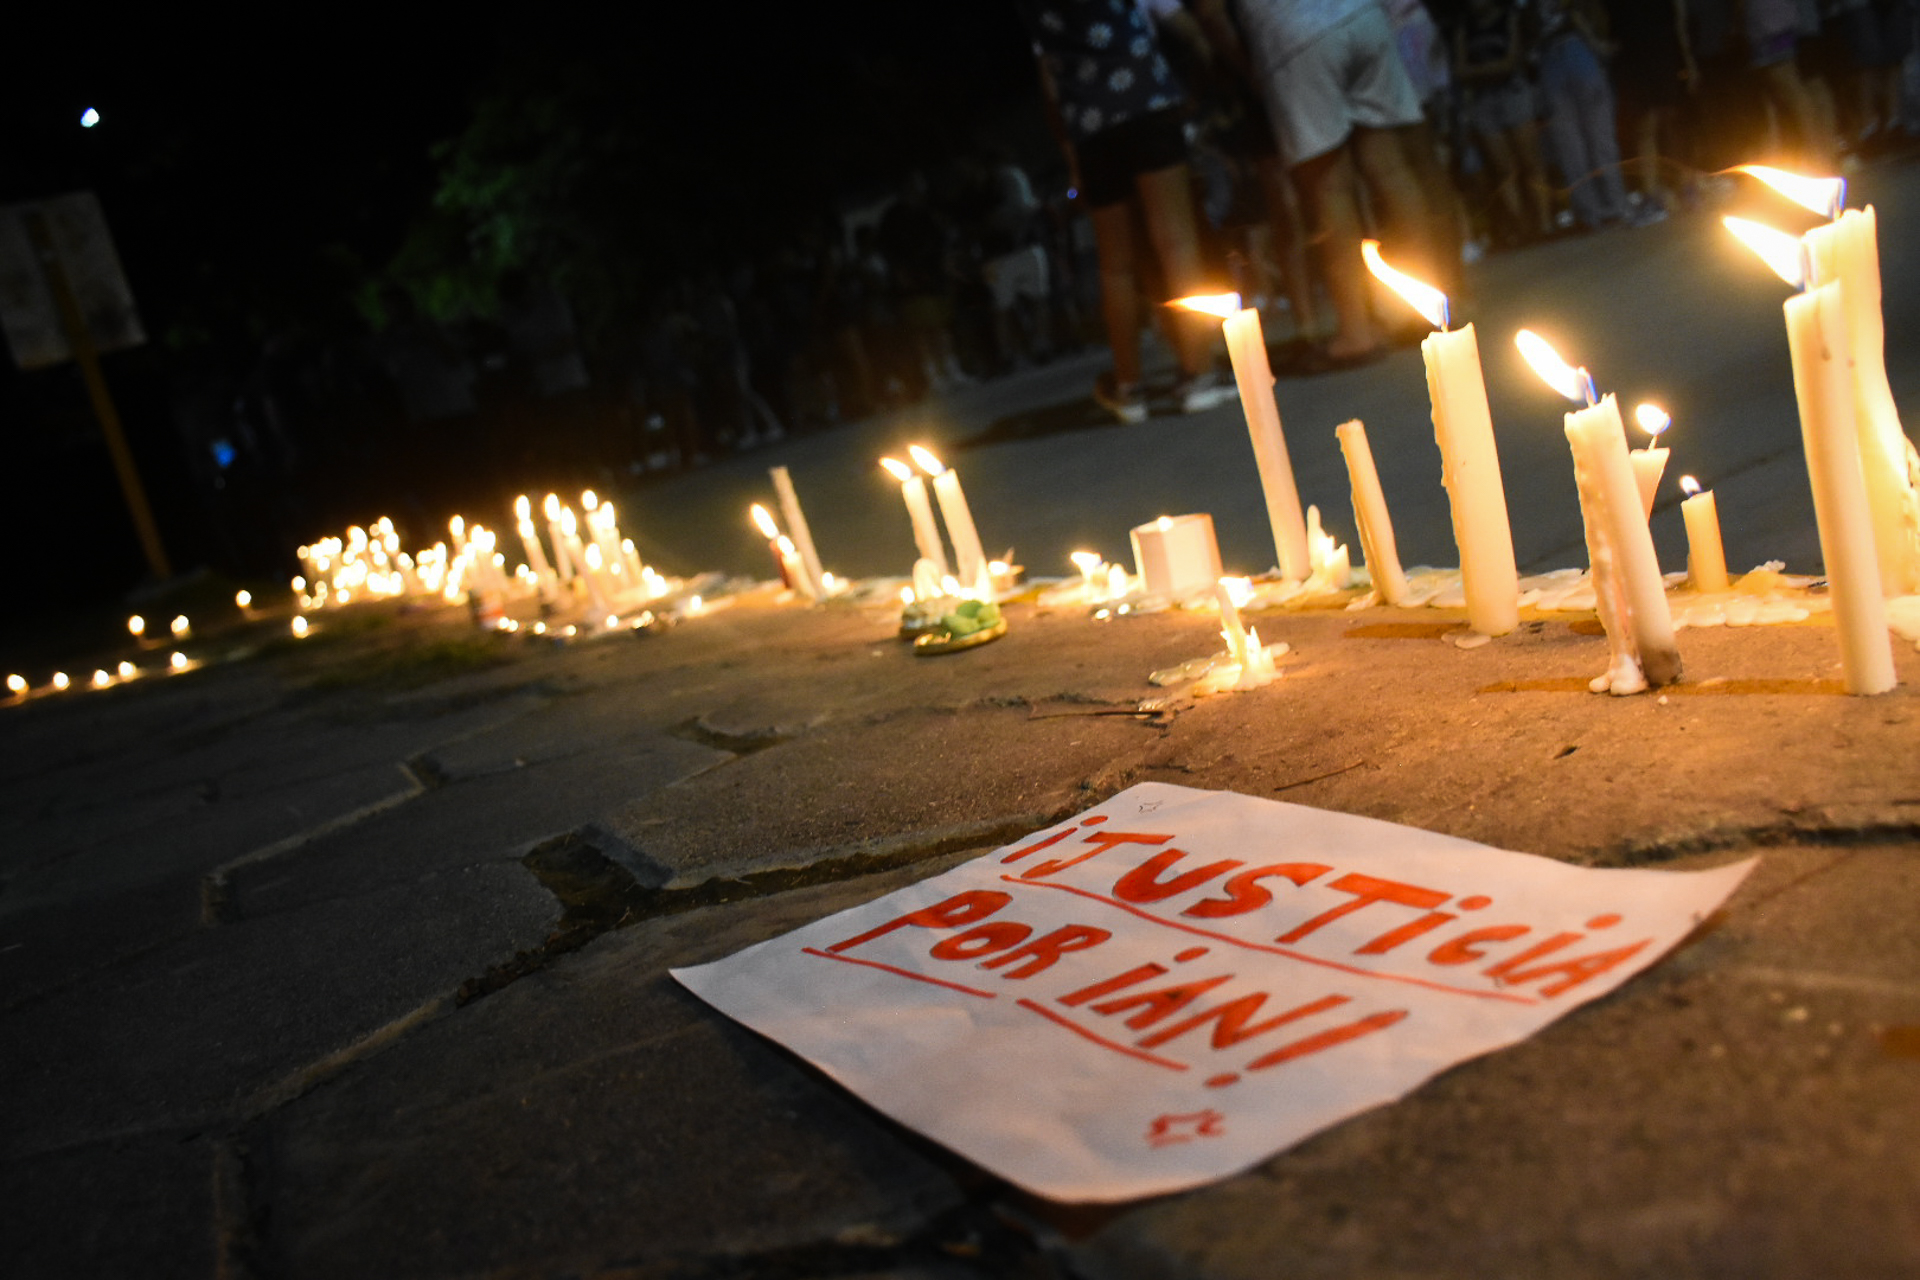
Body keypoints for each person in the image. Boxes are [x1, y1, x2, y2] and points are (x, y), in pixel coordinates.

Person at [1013, 0, 1235, 423]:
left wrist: (1070, 144)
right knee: (1177, 242)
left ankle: (1129, 386)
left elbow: (1048, 79)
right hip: (1145, 97)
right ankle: (1199, 374)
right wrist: (1202, 76)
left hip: (1090, 121)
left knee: (1115, 265)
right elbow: (1178, 24)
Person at [1213, 0, 1435, 365]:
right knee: (1392, 172)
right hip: (1361, 15)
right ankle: (1425, 306)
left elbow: (1210, 12)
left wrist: (1246, 65)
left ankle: (1356, 331)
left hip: (1294, 37)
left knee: (1329, 190)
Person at [1454, 0, 1556, 246]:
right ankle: (1522, 228)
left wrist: (1480, 71)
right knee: (1505, 171)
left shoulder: (1508, 18)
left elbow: (1512, 61)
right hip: (1484, 100)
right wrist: (1494, 69)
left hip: (1513, 92)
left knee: (1531, 161)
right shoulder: (1464, 28)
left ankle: (1545, 223)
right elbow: (1460, 70)